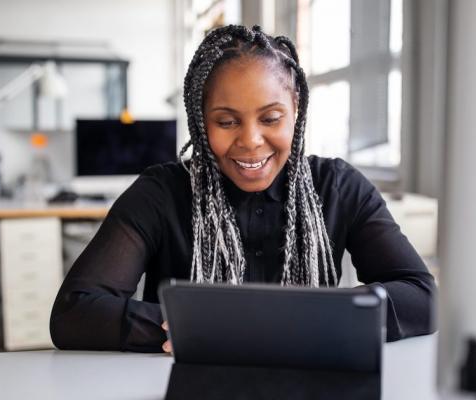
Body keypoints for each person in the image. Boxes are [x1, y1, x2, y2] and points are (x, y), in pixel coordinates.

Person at [50, 25, 435, 353]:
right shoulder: (160, 194)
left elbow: (422, 297)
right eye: (227, 121)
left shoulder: (338, 187)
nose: (251, 141)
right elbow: (74, 313)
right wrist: (192, 325)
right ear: (201, 120)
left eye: (270, 118)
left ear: (296, 109)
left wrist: (314, 320)